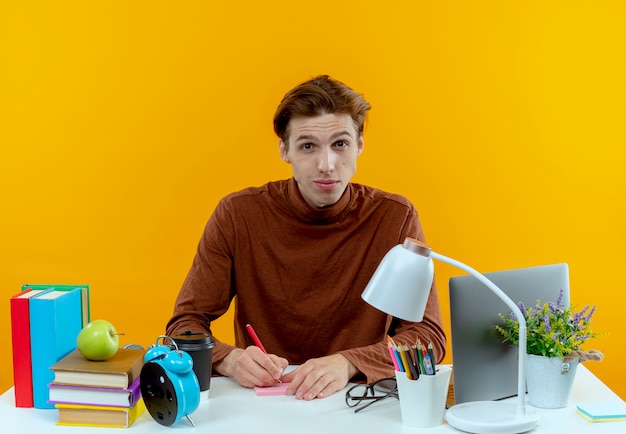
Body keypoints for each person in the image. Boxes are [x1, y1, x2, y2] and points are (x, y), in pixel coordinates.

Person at [166, 75, 446, 400]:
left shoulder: (395, 217)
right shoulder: (238, 215)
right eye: (308, 146)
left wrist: (349, 363)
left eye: (340, 144)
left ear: (359, 146)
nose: (326, 165)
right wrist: (229, 359)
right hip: (265, 403)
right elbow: (184, 326)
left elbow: (427, 338)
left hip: (360, 402)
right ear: (285, 150)